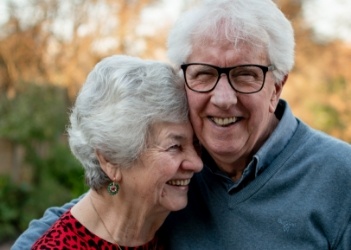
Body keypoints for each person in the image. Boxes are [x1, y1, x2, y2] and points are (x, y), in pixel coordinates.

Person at [12, 0, 351, 249]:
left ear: (277, 86)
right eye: (204, 73)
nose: (222, 98)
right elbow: (100, 204)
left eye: (245, 75)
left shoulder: (340, 176)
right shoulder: (182, 166)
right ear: (184, 77)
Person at [29, 55, 203, 249]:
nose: (197, 163)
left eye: (195, 144)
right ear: (110, 159)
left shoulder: (175, 227)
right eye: (175, 147)